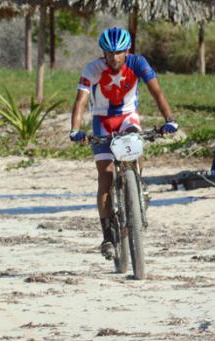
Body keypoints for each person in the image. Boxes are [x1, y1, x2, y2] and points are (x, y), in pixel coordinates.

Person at [69, 27, 178, 259]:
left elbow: (156, 92)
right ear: (104, 53)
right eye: (109, 53)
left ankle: (138, 185)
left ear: (127, 51)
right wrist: (75, 130)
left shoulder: (138, 63)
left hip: (127, 116)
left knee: (136, 143)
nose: (114, 58)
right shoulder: (92, 69)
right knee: (106, 176)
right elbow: (80, 101)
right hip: (102, 120)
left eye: (119, 53)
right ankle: (108, 236)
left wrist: (170, 120)